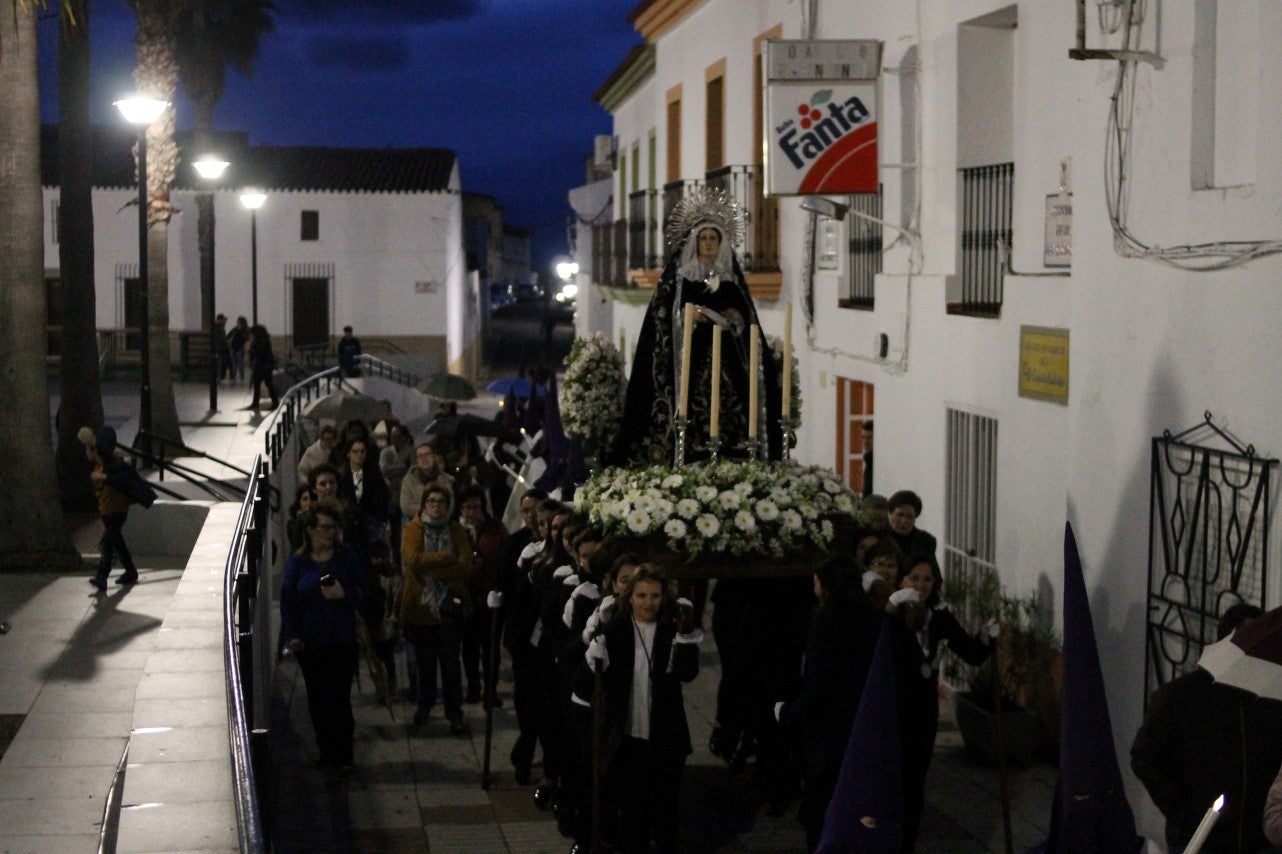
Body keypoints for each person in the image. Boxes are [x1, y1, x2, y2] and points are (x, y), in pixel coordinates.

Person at [608, 187, 782, 466]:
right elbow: (663, 317)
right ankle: (684, 451)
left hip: (726, 354)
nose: (709, 243)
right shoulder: (680, 280)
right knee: (689, 403)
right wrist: (689, 318)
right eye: (704, 238)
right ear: (695, 242)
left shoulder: (730, 280)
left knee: (734, 404)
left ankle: (737, 451)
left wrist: (732, 319)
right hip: (690, 354)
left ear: (721, 242)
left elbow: (746, 319)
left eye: (713, 237)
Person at [1131, 603, 1282, 854]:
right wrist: (1185, 813)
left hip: (1256, 841)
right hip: (1200, 840)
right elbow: (1145, 757)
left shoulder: (1269, 701)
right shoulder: (1180, 698)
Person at [582, 565, 702, 853]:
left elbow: (687, 674)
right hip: (628, 737)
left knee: (665, 812)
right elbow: (600, 682)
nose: (649, 603)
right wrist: (596, 660)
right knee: (633, 812)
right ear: (630, 597)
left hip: (665, 736)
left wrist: (685, 640)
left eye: (655, 596)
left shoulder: (672, 629)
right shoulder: (616, 629)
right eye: (642, 595)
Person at [776, 555, 883, 851]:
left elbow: (819, 684)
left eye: (816, 580)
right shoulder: (874, 616)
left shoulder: (826, 620)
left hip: (832, 730)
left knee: (822, 808)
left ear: (826, 585)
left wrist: (787, 712)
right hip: (864, 724)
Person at [890, 552, 995, 851]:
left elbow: (971, 653)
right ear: (903, 579)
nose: (921, 585)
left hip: (922, 709)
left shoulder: (940, 616)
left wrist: (989, 637)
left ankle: (906, 841)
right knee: (892, 777)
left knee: (914, 780)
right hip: (894, 705)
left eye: (927, 579)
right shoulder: (892, 612)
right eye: (915, 578)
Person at [280, 500, 365, 772]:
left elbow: (364, 592)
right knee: (318, 701)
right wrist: (292, 634)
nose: (330, 533)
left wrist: (345, 595)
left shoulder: (346, 557)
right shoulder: (298, 562)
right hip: (311, 644)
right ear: (311, 530)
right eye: (325, 527)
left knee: (339, 699)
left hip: (341, 641)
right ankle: (327, 752)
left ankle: (344, 756)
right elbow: (288, 600)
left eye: (333, 527)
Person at [400, 484, 473, 736]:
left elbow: (464, 566)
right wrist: (445, 558)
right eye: (431, 501)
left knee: (451, 666)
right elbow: (412, 561)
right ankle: (424, 707)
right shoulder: (412, 529)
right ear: (423, 504)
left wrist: (430, 566)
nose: (436, 505)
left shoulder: (456, 530)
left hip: (449, 609)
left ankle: (455, 714)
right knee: (425, 666)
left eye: (441, 501)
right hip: (422, 609)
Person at [456, 485, 508, 704]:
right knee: (469, 647)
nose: (471, 512)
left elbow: (504, 558)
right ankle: (473, 687)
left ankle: (490, 689)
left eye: (476, 507)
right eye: (467, 508)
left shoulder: (496, 529)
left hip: (490, 596)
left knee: (490, 648)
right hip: (466, 597)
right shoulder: (456, 531)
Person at [79, 425, 141, 590]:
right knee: (118, 543)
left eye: (88, 448)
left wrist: (103, 477)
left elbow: (120, 481)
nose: (86, 452)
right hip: (107, 511)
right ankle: (130, 571)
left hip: (116, 512)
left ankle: (102, 577)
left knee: (106, 544)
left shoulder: (113, 467)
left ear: (96, 450)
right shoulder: (100, 467)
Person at [400, 440, 455, 522]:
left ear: (434, 456)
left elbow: (450, 505)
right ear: (417, 460)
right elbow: (406, 507)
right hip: (416, 526)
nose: (424, 458)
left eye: (427, 454)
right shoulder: (409, 479)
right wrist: (433, 508)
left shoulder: (445, 479)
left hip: (441, 525)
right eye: (420, 456)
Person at [886, 490, 937, 559]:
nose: (904, 521)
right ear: (890, 514)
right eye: (900, 515)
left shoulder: (926, 541)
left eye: (910, 516)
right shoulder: (879, 538)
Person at [247, 324, 279, 410]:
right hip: (261, 366)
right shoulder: (259, 340)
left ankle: (275, 403)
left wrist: (252, 351)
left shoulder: (262, 341)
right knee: (258, 384)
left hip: (265, 366)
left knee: (268, 384)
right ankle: (255, 403)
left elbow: (260, 353)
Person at [287, 487, 318, 551]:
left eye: (312, 499)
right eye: (305, 499)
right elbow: (296, 543)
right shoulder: (292, 523)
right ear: (299, 503)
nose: (309, 502)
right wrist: (301, 519)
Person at [226, 316, 248, 383]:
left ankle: (242, 377)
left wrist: (238, 330)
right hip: (233, 347)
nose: (237, 322)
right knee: (233, 364)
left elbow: (244, 338)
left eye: (238, 321)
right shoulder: (235, 328)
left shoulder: (244, 329)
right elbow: (229, 334)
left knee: (240, 363)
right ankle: (234, 377)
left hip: (240, 348)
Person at [214, 313, 233, 381]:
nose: (225, 322)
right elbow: (222, 340)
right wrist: (228, 342)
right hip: (221, 349)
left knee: (223, 363)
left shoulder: (217, 327)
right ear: (221, 320)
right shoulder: (220, 328)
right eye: (224, 320)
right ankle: (221, 377)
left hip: (219, 349)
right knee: (223, 363)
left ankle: (222, 376)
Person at [861, 420, 874, 495]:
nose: (865, 441)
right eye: (863, 437)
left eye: (869, 437)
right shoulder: (868, 460)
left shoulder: (874, 462)